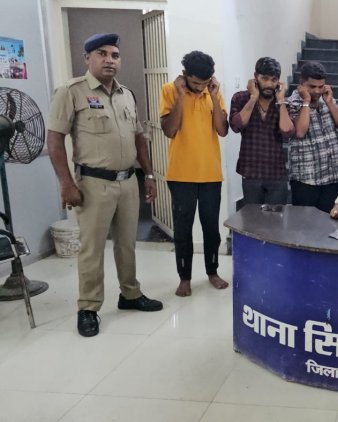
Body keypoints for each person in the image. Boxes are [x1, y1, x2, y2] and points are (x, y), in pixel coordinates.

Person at [47, 33, 163, 337]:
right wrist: (66, 183)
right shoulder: (71, 92)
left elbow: (139, 137)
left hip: (128, 182)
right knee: (92, 248)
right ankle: (88, 307)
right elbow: (55, 139)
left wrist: (149, 175)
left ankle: (130, 294)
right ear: (87, 58)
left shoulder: (127, 94)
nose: (110, 60)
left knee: (127, 244)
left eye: (115, 55)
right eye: (102, 54)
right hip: (93, 184)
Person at [160, 51, 229, 297]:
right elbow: (170, 130)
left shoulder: (213, 92)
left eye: (205, 82)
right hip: (180, 174)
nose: (200, 87)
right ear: (184, 75)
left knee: (211, 228)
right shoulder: (169, 90)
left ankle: (212, 272)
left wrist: (214, 96)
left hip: (211, 174)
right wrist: (181, 96)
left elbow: (222, 130)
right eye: (196, 83)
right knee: (183, 230)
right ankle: (185, 278)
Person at [229, 57, 294, 207]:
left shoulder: (283, 103)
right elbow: (236, 126)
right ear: (255, 77)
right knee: (252, 219)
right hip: (250, 171)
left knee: (275, 220)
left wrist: (281, 101)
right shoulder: (240, 98)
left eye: (274, 80)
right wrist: (253, 98)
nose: (269, 84)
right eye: (265, 78)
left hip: (276, 173)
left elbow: (287, 132)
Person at [287, 61, 338, 212]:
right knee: (304, 224)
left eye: (321, 86)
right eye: (312, 87)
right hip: (305, 178)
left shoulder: (326, 99)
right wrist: (306, 101)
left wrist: (330, 102)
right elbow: (300, 132)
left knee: (327, 223)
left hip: (331, 176)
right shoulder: (292, 102)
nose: (317, 91)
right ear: (302, 83)